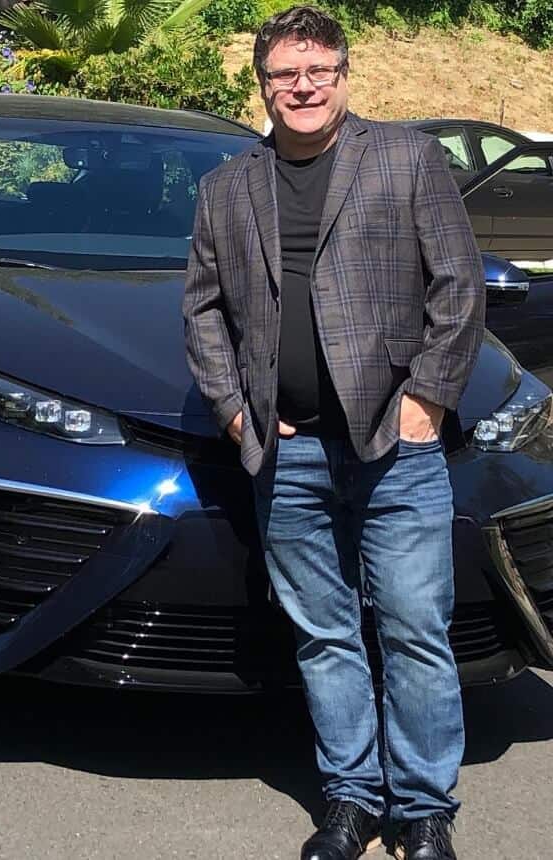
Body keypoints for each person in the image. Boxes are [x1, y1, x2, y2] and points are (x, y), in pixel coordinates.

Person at [183, 7, 485, 860]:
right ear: (264, 86)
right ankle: (351, 800)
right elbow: (203, 311)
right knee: (324, 635)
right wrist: (237, 411)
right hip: (287, 454)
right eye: (285, 74)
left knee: (414, 628)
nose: (303, 87)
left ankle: (425, 810)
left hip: (396, 450)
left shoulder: (407, 160)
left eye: (318, 70)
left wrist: (426, 400)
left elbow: (458, 288)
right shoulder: (226, 190)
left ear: (345, 76)